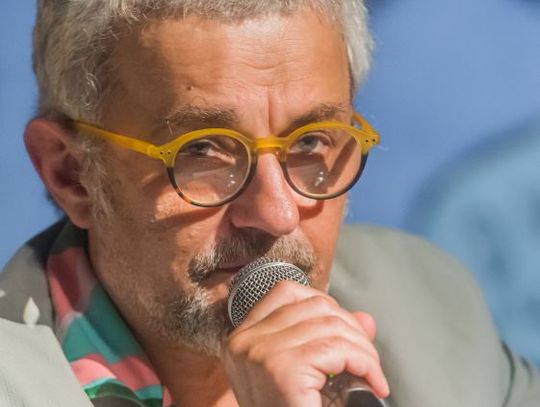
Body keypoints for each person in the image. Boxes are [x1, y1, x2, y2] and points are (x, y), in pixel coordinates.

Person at [0, 1, 538, 406]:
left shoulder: (435, 307)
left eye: (311, 142)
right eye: (203, 151)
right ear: (71, 174)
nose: (278, 213)